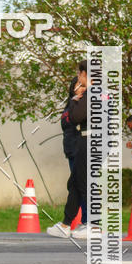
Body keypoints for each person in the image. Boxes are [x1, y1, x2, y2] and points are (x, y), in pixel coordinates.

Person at [47, 60, 92, 239]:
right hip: (83, 142)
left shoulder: (92, 94)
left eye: (80, 75)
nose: (79, 80)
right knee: (75, 183)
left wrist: (75, 100)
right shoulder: (99, 93)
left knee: (83, 183)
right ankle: (66, 224)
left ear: (85, 74)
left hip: (89, 141)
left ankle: (92, 224)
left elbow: (75, 117)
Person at [61, 74, 87, 224]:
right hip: (73, 151)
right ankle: (73, 222)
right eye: (79, 85)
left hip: (83, 150)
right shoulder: (71, 105)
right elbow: (66, 123)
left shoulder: (86, 103)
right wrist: (73, 104)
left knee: (81, 185)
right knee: (76, 185)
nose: (82, 88)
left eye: (83, 85)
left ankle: (88, 222)